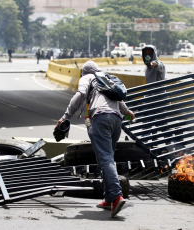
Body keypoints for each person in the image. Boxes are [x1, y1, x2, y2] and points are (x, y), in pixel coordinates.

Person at [56, 60, 135, 218]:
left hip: (101, 119)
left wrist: (65, 116)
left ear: (84, 72)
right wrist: (128, 112)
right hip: (116, 121)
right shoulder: (106, 78)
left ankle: (117, 195)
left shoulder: (88, 78)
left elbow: (80, 95)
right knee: (106, 158)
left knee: (105, 158)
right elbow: (119, 101)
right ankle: (108, 198)